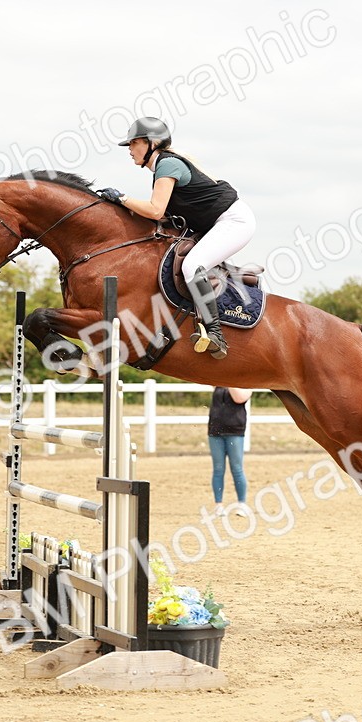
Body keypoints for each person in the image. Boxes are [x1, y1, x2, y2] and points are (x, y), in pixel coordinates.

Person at [95, 117, 256, 360]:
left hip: (234, 221)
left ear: (152, 143)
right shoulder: (163, 166)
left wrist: (121, 198)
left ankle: (215, 333)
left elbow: (155, 210)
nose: (129, 149)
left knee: (192, 266)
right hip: (216, 223)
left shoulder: (167, 164)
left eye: (133, 143)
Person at [207, 386, 252, 515]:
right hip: (215, 431)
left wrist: (229, 380)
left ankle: (241, 503)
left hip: (235, 431)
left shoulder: (246, 385)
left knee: (237, 468)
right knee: (218, 469)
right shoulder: (218, 385)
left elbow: (239, 398)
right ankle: (218, 504)